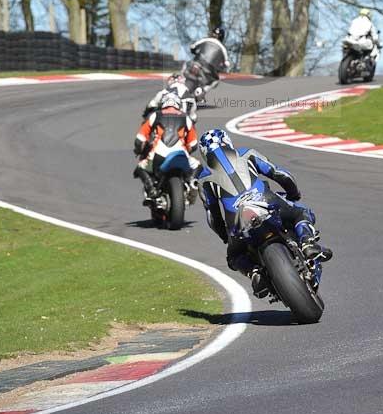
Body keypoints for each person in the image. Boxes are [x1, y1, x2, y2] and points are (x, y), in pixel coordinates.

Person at [197, 128, 332, 298]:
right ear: (227, 142)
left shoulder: (203, 178)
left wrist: (225, 236)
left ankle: (254, 272)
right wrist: (293, 193)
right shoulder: (246, 153)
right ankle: (307, 243)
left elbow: (212, 215)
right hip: (265, 201)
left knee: (234, 256)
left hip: (237, 220)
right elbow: (279, 173)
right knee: (301, 213)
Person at [133, 92, 200, 201]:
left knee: (141, 167)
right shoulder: (186, 118)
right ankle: (192, 182)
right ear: (178, 104)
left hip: (158, 154)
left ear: (162, 104)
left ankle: (151, 189)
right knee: (197, 165)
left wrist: (139, 151)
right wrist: (187, 151)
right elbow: (193, 144)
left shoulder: (155, 116)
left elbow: (140, 139)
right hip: (180, 154)